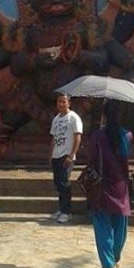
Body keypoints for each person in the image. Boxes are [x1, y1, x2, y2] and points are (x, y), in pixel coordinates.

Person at [87, 100, 132, 268]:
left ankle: (107, 263)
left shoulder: (97, 136)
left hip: (102, 184)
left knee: (102, 223)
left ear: (105, 115)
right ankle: (115, 256)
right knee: (120, 222)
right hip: (120, 184)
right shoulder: (127, 135)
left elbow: (91, 159)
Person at [49, 93, 83, 224]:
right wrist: (50, 154)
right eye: (59, 102)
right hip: (56, 154)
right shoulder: (56, 119)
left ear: (69, 103)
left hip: (66, 155)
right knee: (58, 183)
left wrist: (71, 155)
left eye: (64, 102)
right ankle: (61, 208)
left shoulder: (73, 118)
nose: (61, 104)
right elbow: (53, 137)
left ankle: (66, 212)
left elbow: (77, 137)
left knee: (64, 183)